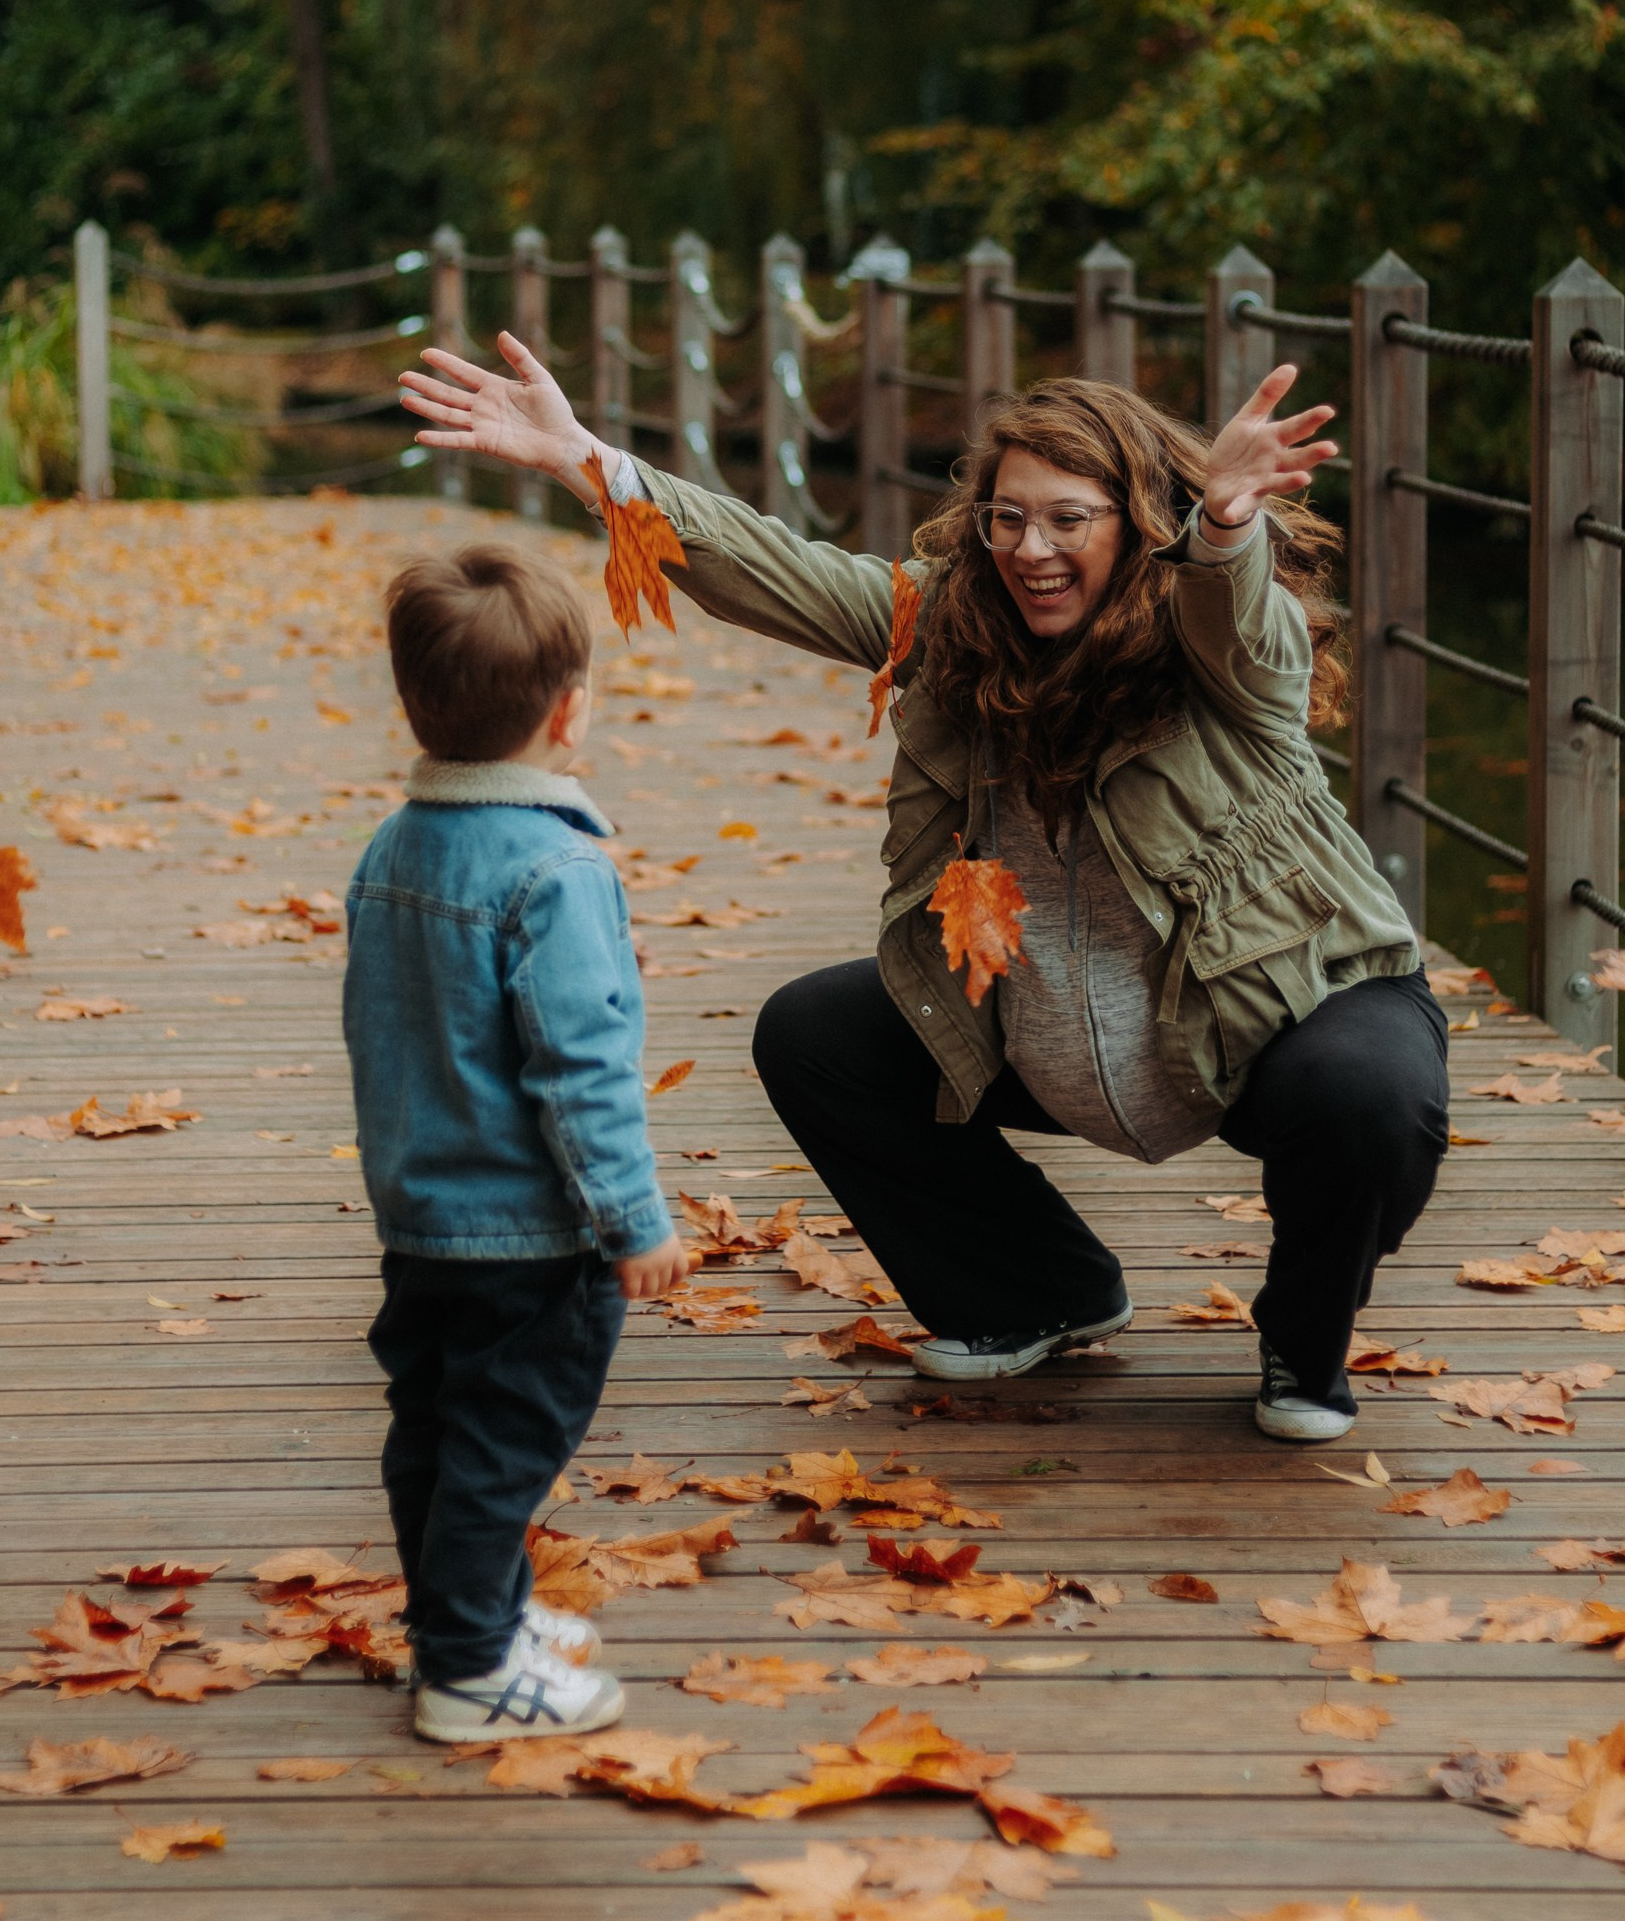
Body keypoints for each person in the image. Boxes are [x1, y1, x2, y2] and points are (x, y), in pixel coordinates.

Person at [397, 338, 1446, 1445]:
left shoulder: (1221, 655)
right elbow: (767, 564)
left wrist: (1224, 526)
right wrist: (584, 460)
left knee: (1365, 1096)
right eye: (1006, 517)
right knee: (813, 1035)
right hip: (1050, 1023)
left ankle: (1303, 1339)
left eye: (1068, 519)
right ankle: (1032, 1291)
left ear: (1141, 521)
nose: (1029, 548)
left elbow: (1239, 618)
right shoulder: (945, 621)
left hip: (1264, 1010)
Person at [343, 536, 689, 1739]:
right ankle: (467, 1670)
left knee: (436, 1433)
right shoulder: (557, 869)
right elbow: (579, 1065)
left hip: (421, 1217)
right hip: (532, 1236)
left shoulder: (390, 849)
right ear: (567, 712)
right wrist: (631, 1219)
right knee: (504, 1447)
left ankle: (471, 1613)